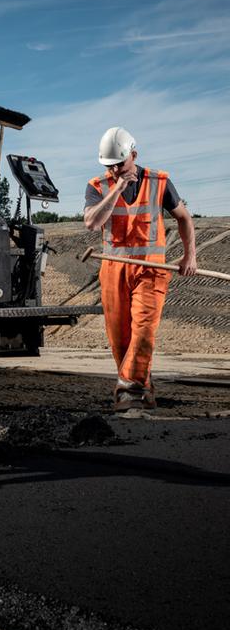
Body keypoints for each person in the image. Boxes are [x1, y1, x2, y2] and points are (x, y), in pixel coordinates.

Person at [84, 127, 197, 416]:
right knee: (120, 339)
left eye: (120, 164)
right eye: (109, 165)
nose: (115, 170)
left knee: (143, 332)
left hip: (152, 270)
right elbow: (92, 223)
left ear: (134, 155)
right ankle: (143, 390)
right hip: (114, 271)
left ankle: (129, 394)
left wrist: (189, 255)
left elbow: (184, 218)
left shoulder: (160, 182)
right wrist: (118, 189)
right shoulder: (98, 185)